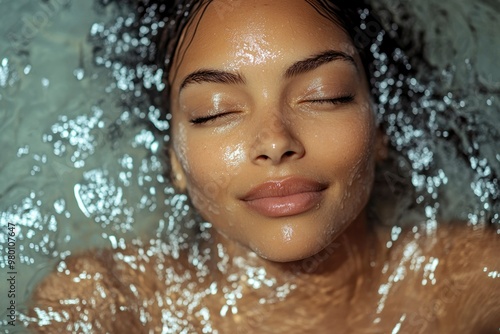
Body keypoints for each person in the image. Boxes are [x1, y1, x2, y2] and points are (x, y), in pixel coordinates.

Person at [27, 0, 499, 333]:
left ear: (380, 128)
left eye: (325, 95)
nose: (275, 142)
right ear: (174, 156)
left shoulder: (473, 281)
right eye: (214, 111)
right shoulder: (104, 302)